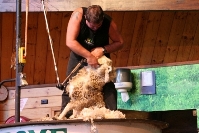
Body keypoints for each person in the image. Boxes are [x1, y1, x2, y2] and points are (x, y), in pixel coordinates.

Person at [61, 5, 124, 118]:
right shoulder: (78, 16)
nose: (95, 28)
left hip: (100, 56)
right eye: (91, 26)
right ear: (86, 18)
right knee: (70, 85)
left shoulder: (109, 23)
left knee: (107, 84)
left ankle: (111, 115)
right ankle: (66, 117)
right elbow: (70, 41)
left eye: (98, 26)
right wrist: (89, 56)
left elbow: (120, 42)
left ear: (102, 20)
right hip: (79, 54)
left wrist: (103, 49)